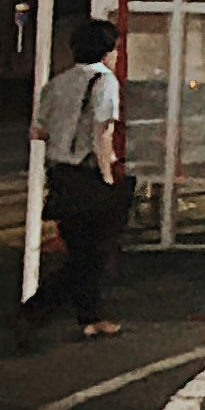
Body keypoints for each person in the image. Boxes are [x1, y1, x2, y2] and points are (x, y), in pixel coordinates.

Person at [20, 19, 128, 343]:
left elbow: (38, 131)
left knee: (82, 249)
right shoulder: (105, 81)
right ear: (108, 49)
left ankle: (90, 317)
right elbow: (102, 130)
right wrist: (108, 176)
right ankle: (33, 312)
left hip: (61, 174)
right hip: (87, 174)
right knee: (91, 253)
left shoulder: (57, 82)